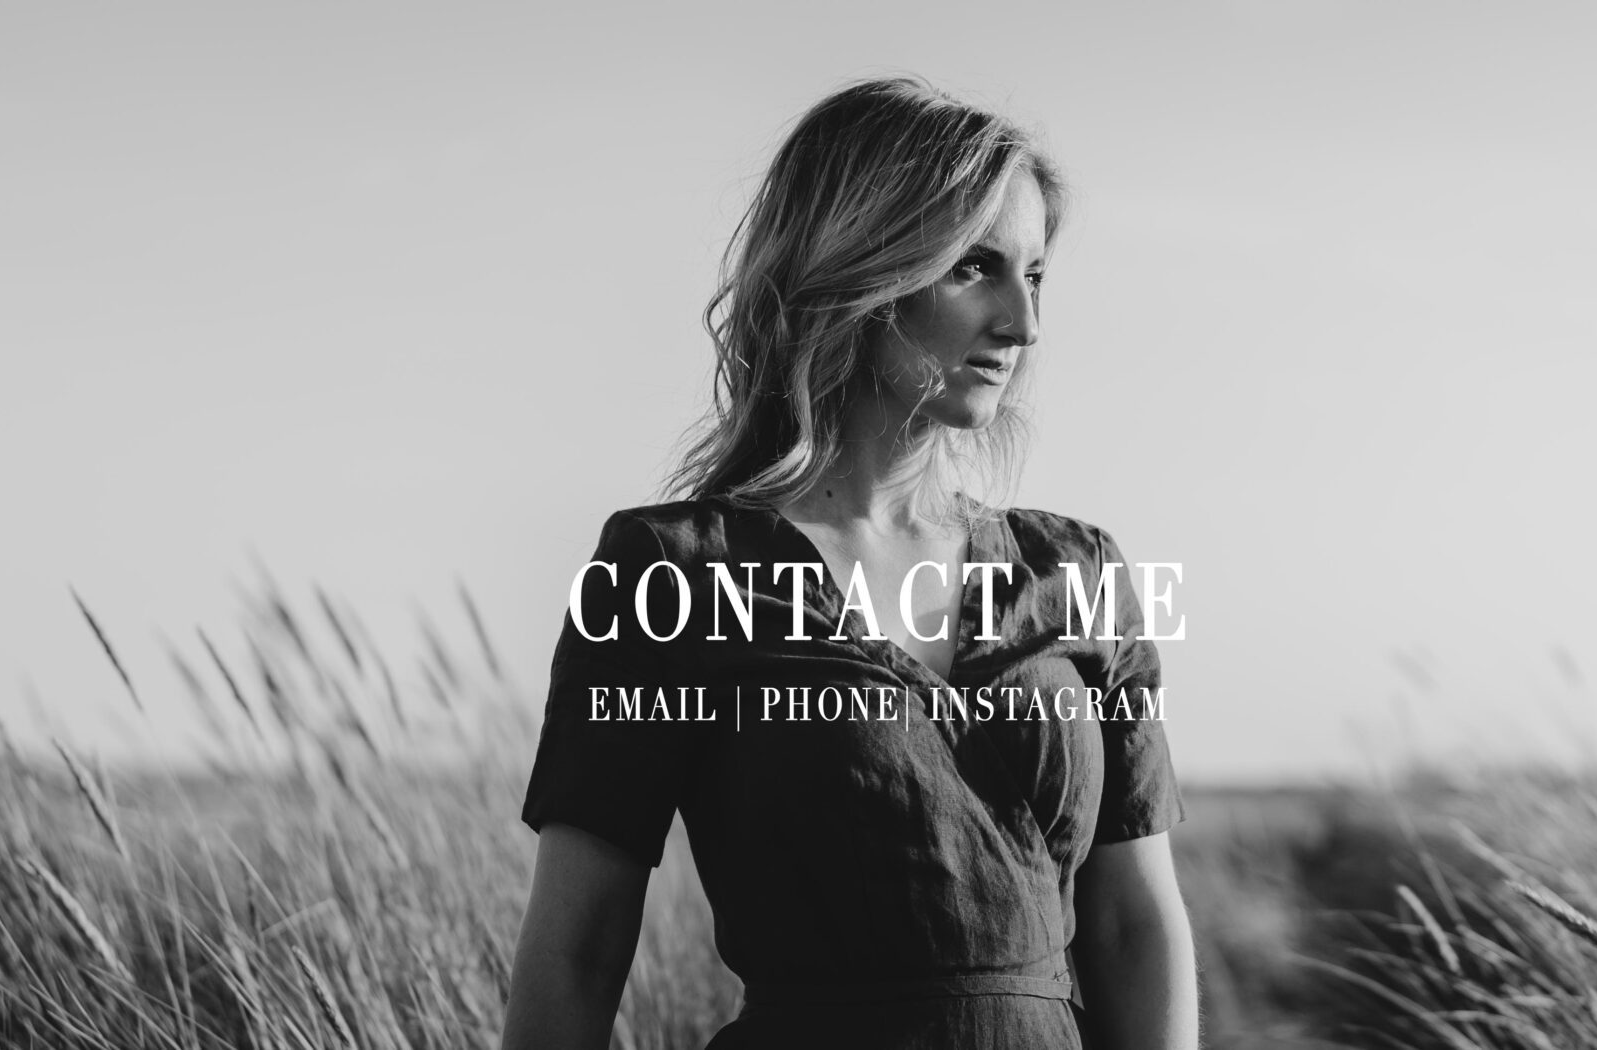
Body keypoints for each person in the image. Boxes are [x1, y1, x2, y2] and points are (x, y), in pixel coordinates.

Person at [499, 75, 1196, 1050]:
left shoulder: (1077, 573)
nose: (1022, 324)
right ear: (862, 268)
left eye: (1033, 275)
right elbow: (578, 948)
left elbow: (1132, 926)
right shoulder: (672, 574)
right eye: (973, 268)